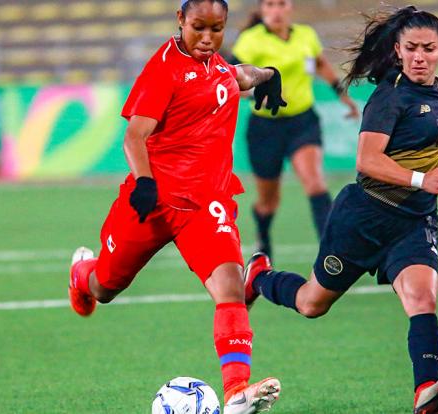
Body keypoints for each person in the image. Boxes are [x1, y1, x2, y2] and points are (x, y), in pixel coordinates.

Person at [241, 6, 438, 413]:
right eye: (411, 48)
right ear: (398, 51)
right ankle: (260, 277)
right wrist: (424, 179)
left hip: (415, 220)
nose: (420, 56)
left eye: (429, 48)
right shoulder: (390, 97)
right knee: (312, 304)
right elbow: (368, 160)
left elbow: (431, 140)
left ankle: (425, 391)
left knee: (422, 298)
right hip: (366, 217)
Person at [67, 1, 287, 412]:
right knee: (106, 288)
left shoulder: (217, 65)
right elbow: (134, 136)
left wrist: (269, 76)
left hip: (206, 206)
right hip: (152, 201)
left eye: (216, 29)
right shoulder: (164, 69)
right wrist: (146, 182)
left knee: (229, 289)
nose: (207, 38)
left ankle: (237, 390)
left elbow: (237, 76)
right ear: (180, 22)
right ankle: (81, 274)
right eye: (198, 28)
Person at [231, 0, 360, 259]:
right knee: (268, 201)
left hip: (302, 121)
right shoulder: (250, 40)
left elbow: (320, 63)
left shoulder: (306, 35)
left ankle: (332, 252)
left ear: (290, 7)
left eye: (281, 4)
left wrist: (341, 94)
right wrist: (258, 93)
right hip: (265, 127)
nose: (276, 10)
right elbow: (231, 78)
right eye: (270, 4)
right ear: (262, 9)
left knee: (315, 183)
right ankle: (263, 240)